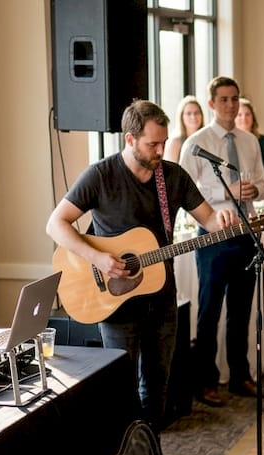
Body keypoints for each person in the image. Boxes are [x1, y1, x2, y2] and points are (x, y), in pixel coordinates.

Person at [46, 100, 235, 432]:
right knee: (121, 388)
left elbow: (209, 220)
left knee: (157, 388)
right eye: (152, 144)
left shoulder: (173, 177)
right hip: (114, 299)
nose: (160, 150)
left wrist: (225, 219)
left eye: (163, 142)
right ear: (129, 139)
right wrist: (98, 257)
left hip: (162, 296)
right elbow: (56, 224)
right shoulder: (100, 176)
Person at [179, 76, 264, 406]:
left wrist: (255, 190)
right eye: (225, 99)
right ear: (212, 104)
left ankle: (240, 376)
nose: (231, 105)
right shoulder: (196, 144)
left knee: (242, 310)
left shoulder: (249, 141)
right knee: (210, 310)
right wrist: (224, 192)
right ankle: (205, 382)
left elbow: (261, 182)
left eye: (235, 98)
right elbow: (185, 192)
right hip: (213, 236)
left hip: (246, 232)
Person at [237, 97, 264, 190]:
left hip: (261, 192)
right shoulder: (229, 142)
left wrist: (261, 190)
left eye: (247, 114)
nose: (244, 118)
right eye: (239, 115)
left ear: (253, 117)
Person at [166, 95, 204, 163]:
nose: (193, 117)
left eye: (196, 113)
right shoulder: (175, 142)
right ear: (181, 117)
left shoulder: (206, 139)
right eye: (188, 113)